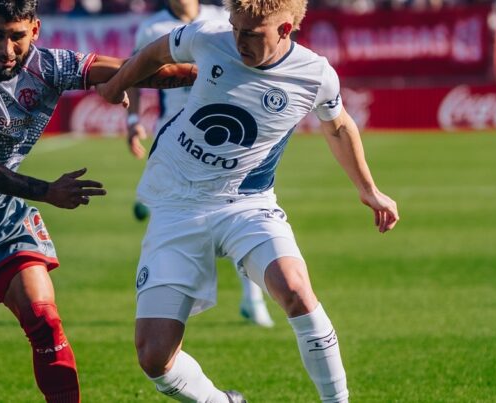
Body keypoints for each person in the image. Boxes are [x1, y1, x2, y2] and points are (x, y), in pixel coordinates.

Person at [0, 1, 194, 402]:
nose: (5, 50)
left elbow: (138, 70)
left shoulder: (52, 66)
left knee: (44, 319)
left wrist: (213, 74)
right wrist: (47, 192)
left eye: (16, 37)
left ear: (35, 30)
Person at [96, 0, 400, 401]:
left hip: (247, 203)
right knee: (154, 359)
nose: (239, 40)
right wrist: (117, 86)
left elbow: (339, 125)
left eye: (252, 34)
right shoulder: (208, 37)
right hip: (176, 202)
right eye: (235, 27)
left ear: (285, 30)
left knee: (295, 289)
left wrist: (368, 188)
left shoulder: (314, 74)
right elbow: (155, 52)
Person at [126, 0, 275, 328]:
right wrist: (134, 118)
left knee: (240, 211)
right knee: (174, 219)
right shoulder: (152, 27)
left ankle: (253, 299)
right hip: (177, 133)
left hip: (222, 129)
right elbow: (138, 71)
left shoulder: (221, 18)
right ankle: (163, 303)